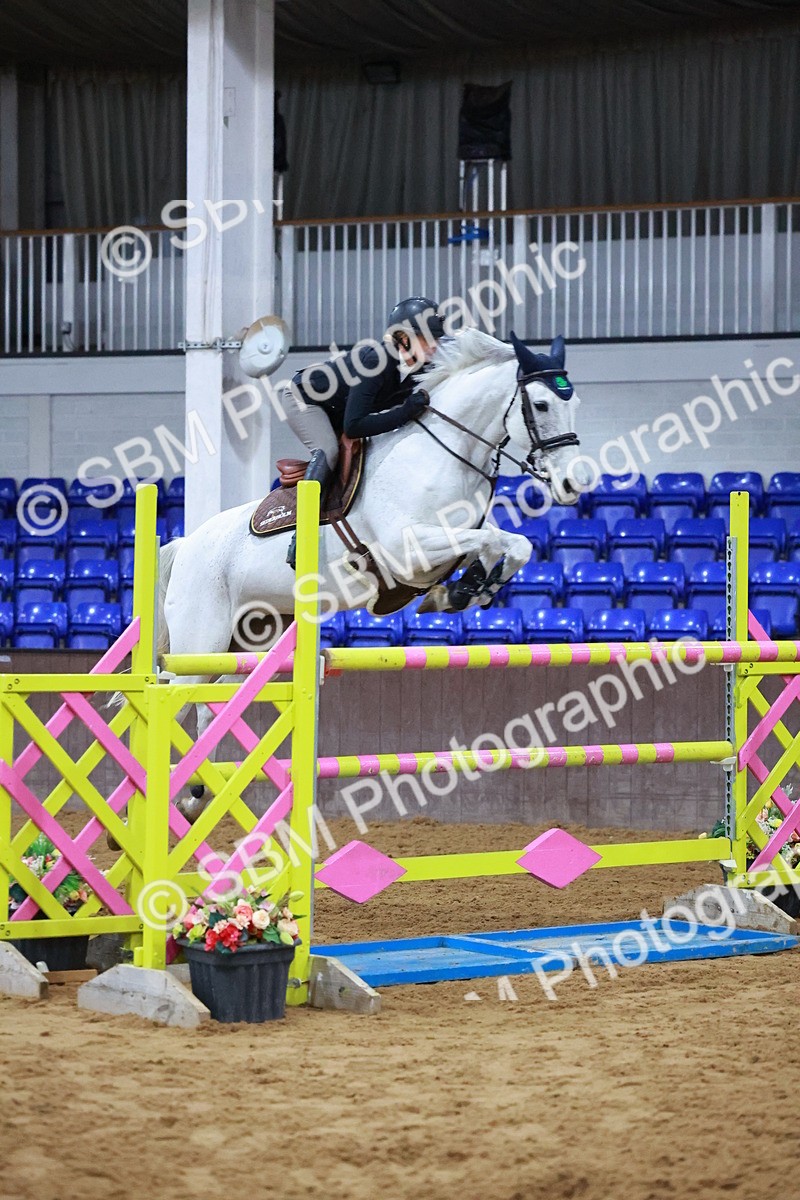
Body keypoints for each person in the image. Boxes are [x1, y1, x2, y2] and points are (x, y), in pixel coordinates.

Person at [283, 297, 445, 567]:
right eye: (427, 338)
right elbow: (354, 426)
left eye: (436, 338)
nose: (435, 345)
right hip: (304, 399)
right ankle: (302, 534)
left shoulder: (421, 367)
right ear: (404, 338)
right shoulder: (376, 360)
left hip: (340, 406)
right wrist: (406, 411)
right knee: (329, 452)